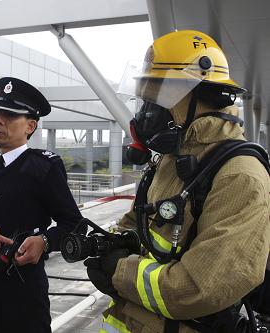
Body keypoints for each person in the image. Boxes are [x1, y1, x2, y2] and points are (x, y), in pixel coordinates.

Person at [84, 30, 270, 332]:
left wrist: (118, 271)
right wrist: (108, 244)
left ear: (197, 94)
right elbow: (137, 223)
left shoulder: (240, 175)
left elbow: (199, 286)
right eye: (146, 95)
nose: (148, 107)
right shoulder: (170, 159)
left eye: (158, 95)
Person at [0, 77, 83, 333]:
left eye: (10, 116)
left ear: (30, 126)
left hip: (25, 291)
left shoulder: (44, 169)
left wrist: (44, 242)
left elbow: (74, 224)